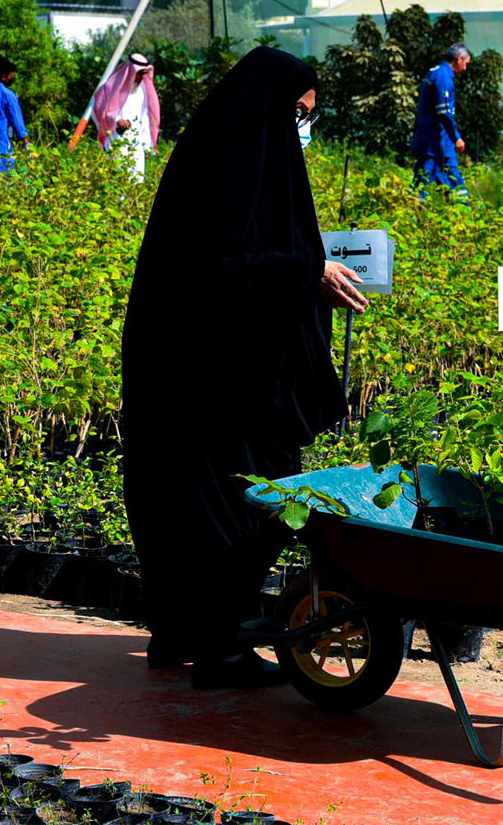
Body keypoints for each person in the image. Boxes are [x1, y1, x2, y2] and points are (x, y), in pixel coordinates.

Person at [121, 47, 368, 688]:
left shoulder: (223, 152)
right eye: (298, 114)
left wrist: (301, 270)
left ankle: (179, 634)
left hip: (196, 374)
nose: (302, 129)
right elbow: (218, 269)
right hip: (209, 382)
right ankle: (220, 649)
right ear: (270, 106)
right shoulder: (232, 164)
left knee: (191, 501)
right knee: (255, 498)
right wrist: (306, 271)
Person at [410, 42, 470, 200]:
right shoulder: (443, 76)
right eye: (465, 63)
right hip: (437, 142)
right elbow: (443, 112)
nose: (465, 68)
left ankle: (460, 218)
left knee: (422, 184)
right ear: (458, 59)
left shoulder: (433, 73)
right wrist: (456, 137)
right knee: (451, 183)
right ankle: (464, 218)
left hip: (431, 142)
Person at [93, 52, 160, 182]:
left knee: (137, 181)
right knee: (119, 180)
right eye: (139, 73)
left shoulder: (142, 90)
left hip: (137, 142)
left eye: (143, 74)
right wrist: (117, 120)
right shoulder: (114, 87)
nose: (141, 78)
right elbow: (102, 109)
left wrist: (147, 145)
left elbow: (144, 117)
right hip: (117, 140)